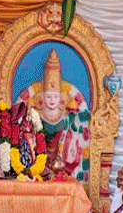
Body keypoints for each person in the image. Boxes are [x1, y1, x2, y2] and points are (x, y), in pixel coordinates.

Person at [19, 49, 90, 179]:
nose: (52, 100)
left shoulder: (66, 117)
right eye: (48, 96)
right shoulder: (35, 117)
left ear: (61, 98)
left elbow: (75, 139)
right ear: (41, 97)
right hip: (38, 169)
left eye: (55, 96)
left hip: (60, 168)